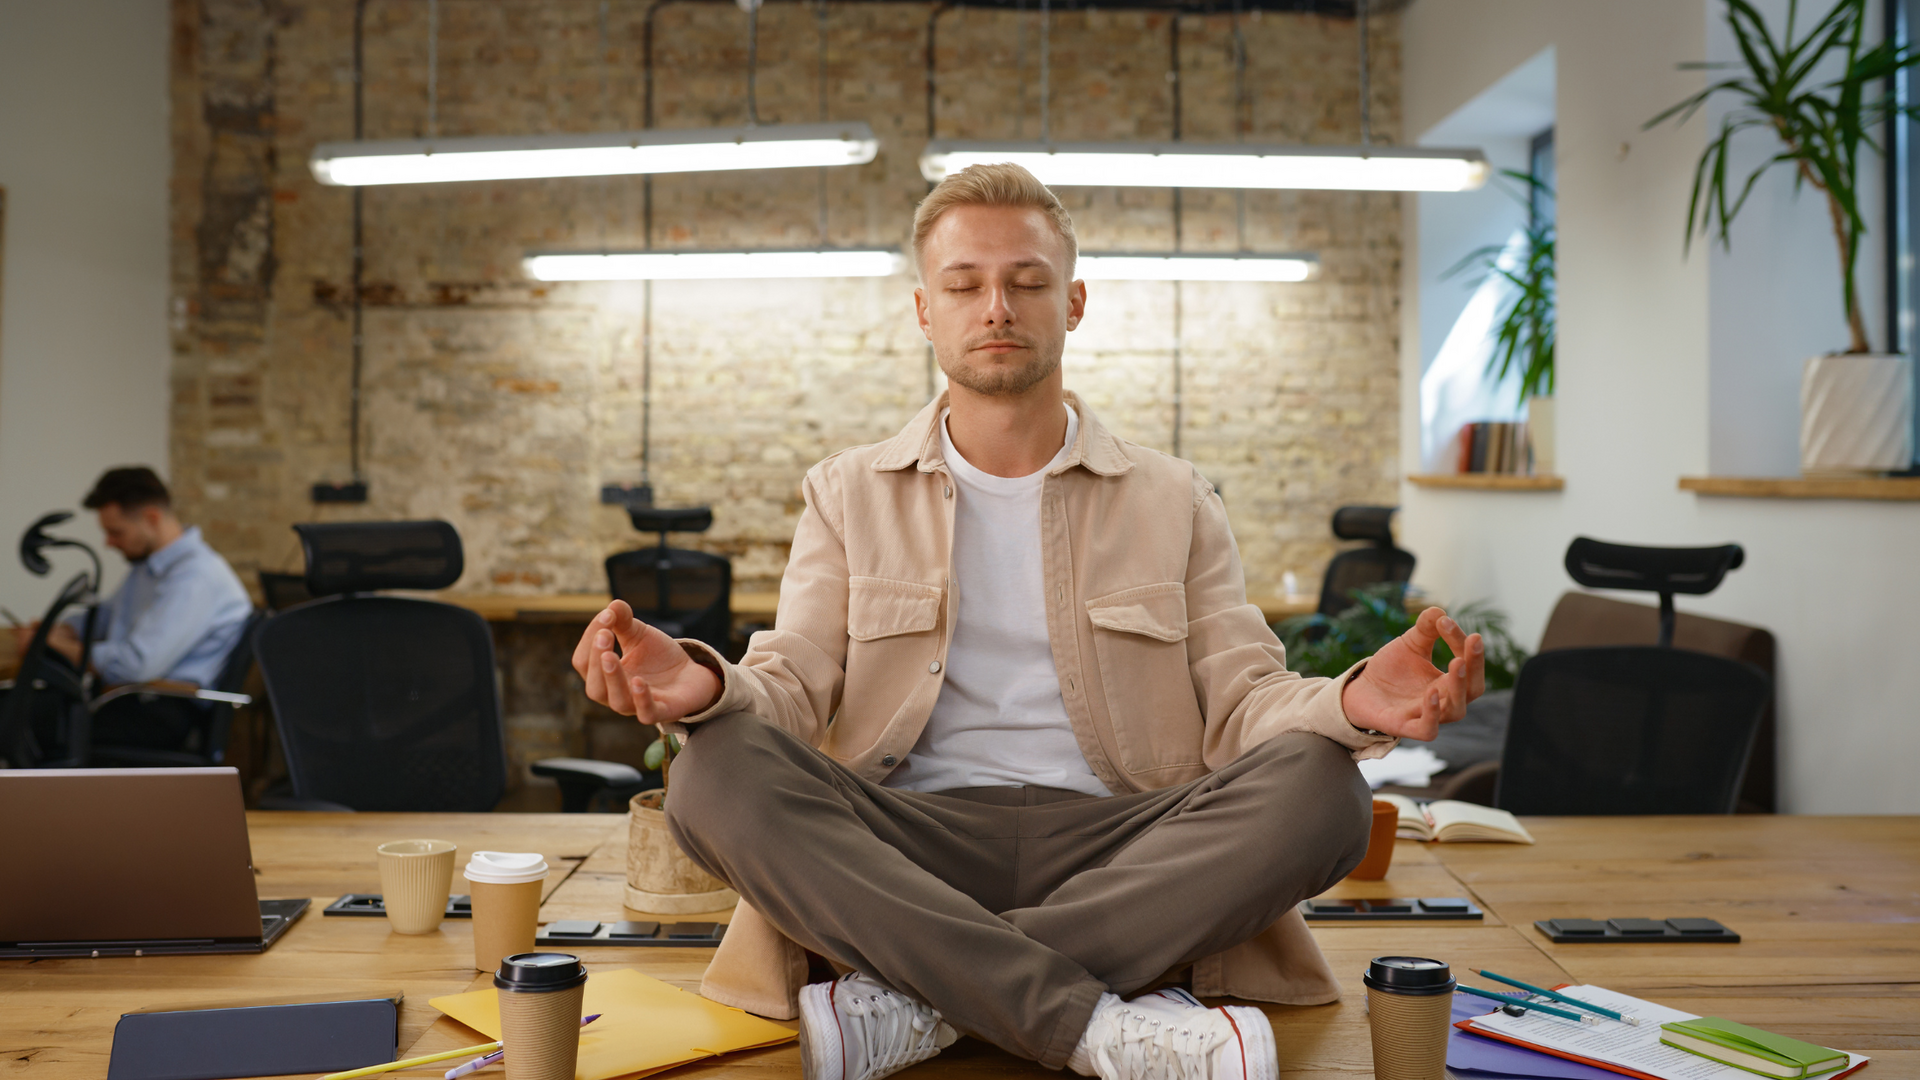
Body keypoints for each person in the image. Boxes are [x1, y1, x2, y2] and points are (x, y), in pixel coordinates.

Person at [570, 164, 1486, 1080]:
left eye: (1028, 282)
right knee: (713, 773)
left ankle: (922, 1000)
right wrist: (705, 686)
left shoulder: (1177, 498)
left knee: (1325, 790)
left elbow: (1247, 702)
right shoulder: (846, 492)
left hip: (1125, 844)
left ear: (1074, 302)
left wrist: (1354, 700)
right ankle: (1097, 1024)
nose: (997, 307)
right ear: (926, 311)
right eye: (965, 285)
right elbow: (795, 681)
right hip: (906, 843)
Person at [15, 466, 253, 751]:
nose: (109, 543)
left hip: (161, 710)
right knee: (20, 706)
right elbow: (106, 616)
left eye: (116, 532)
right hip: (129, 697)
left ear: (151, 518)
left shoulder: (195, 577)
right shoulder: (148, 566)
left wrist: (50, 644)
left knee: (19, 723)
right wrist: (59, 629)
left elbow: (133, 665)